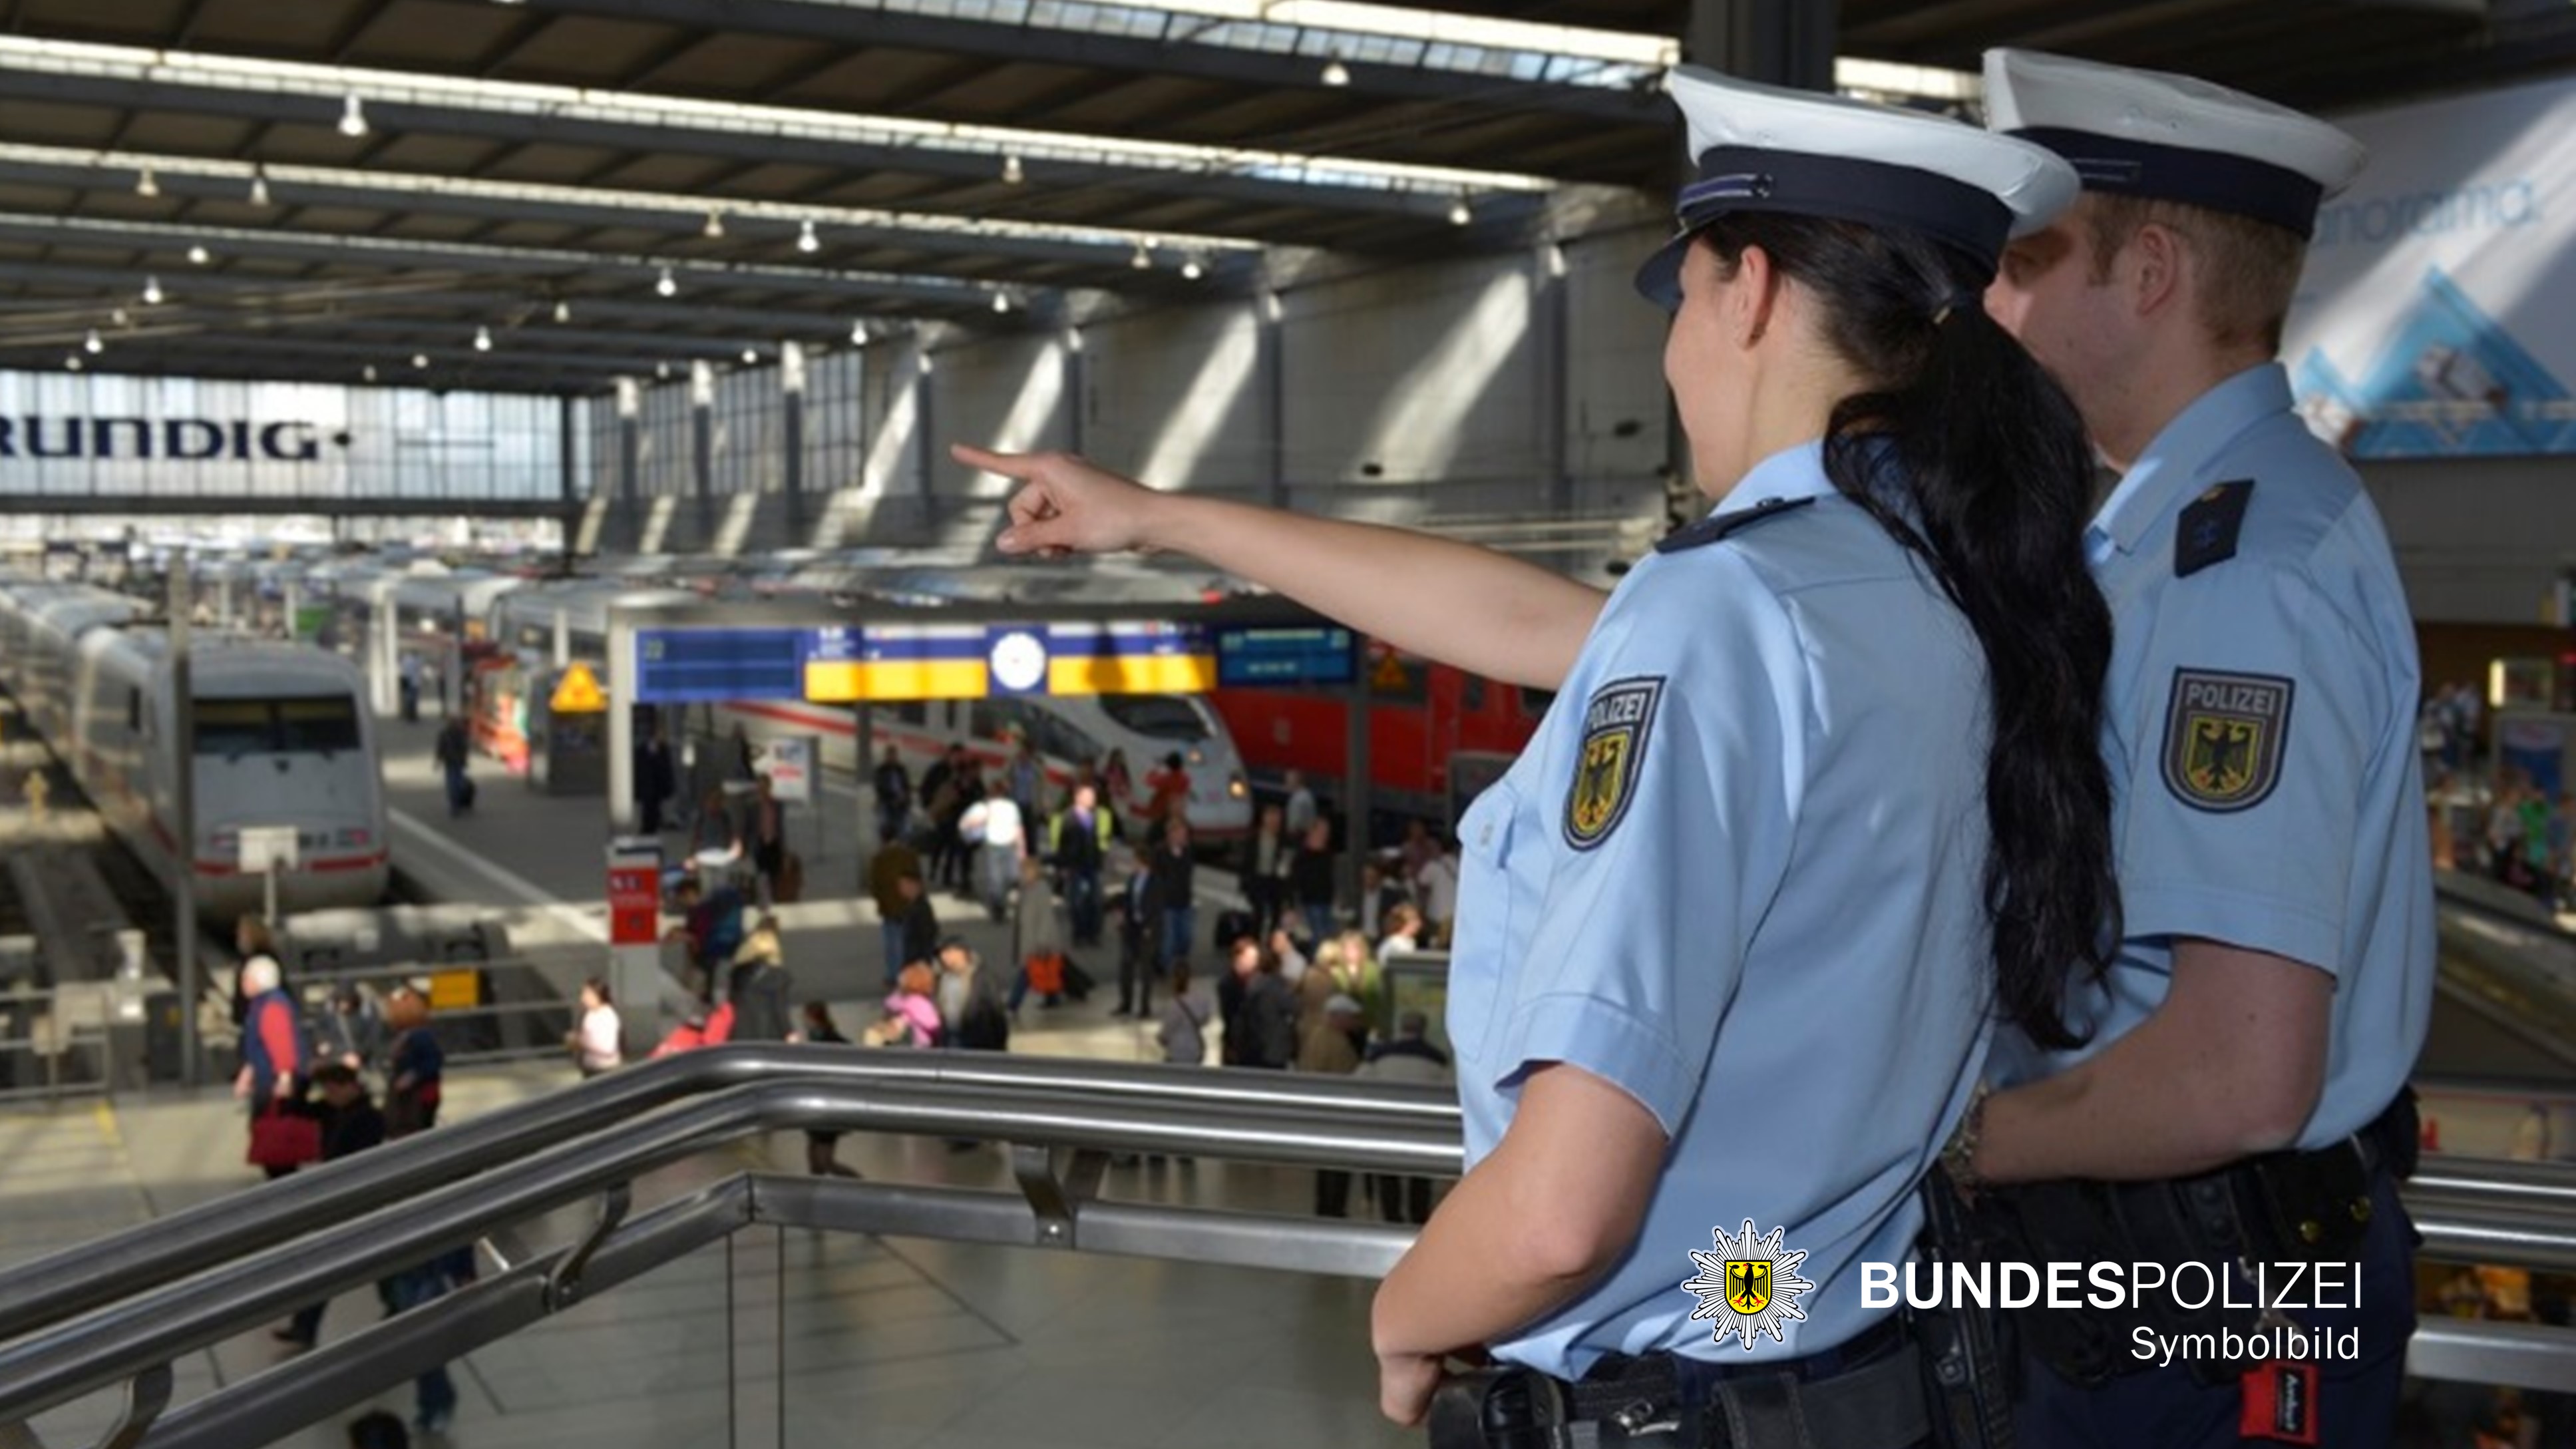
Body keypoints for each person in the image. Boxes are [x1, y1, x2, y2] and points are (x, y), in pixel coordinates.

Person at [954, 63, 2120, 1440]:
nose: (1678, 343)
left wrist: (1406, 1315)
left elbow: (1566, 1209)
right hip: (1842, 1348)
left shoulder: (1732, 606)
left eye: (1683, 296)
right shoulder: (1923, 592)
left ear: (1745, 293)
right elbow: (1520, 618)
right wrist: (1161, 517)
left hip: (1699, 1394)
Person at [1964, 49, 2438, 1449]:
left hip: (2200, 1318)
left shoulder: (2241, 572)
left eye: (2029, 261)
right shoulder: (2179, 536)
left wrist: (1943, 1144)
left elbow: (2240, 1069)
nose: (1992, 302)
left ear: (2151, 271)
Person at [276, 1062, 387, 1349]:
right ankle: (304, 1326)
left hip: (358, 1203)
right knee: (327, 1264)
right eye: (326, 1090)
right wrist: (304, 1080)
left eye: (334, 1089)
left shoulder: (368, 1117)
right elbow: (292, 1110)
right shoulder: (330, 1110)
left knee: (375, 1262)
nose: (330, 1095)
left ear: (351, 1087)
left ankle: (398, 1307)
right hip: (339, 1201)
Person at [234, 932, 307, 1181]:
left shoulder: (272, 1006)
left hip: (274, 1082)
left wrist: (285, 1077)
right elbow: (259, 1044)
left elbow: (281, 1044)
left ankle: (281, 1178)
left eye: (247, 978)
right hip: (267, 1075)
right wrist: (248, 1072)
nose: (243, 982)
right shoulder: (263, 1004)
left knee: (273, 1131)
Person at [799, 1002, 861, 1179]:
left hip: (826, 1109)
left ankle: (858, 1182)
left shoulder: (823, 1041)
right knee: (817, 1160)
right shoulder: (824, 1039)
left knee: (823, 1161)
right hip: (820, 1108)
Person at [566, 977, 622, 1077]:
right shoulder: (589, 1014)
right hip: (590, 1068)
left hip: (604, 1070)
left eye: (587, 994)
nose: (583, 998)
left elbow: (607, 1048)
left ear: (598, 995)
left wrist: (581, 1041)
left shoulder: (607, 1016)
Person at [432, 714, 472, 817]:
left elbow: (441, 749)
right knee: (455, 783)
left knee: (454, 784)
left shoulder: (448, 734)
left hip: (452, 762)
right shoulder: (458, 734)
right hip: (453, 762)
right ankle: (455, 805)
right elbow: (464, 748)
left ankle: (455, 805)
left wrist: (438, 761)